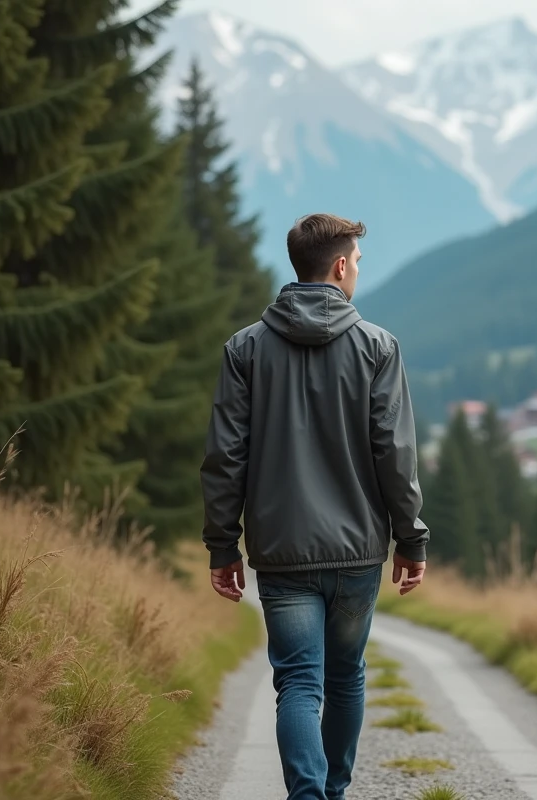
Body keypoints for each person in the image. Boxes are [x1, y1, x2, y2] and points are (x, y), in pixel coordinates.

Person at [200, 213, 429, 800]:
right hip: (357, 554)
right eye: (358, 260)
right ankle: (334, 793)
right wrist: (411, 538)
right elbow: (395, 454)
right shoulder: (379, 347)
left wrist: (223, 544)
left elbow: (226, 457)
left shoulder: (244, 349)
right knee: (345, 676)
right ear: (341, 266)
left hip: (281, 553)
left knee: (298, 682)